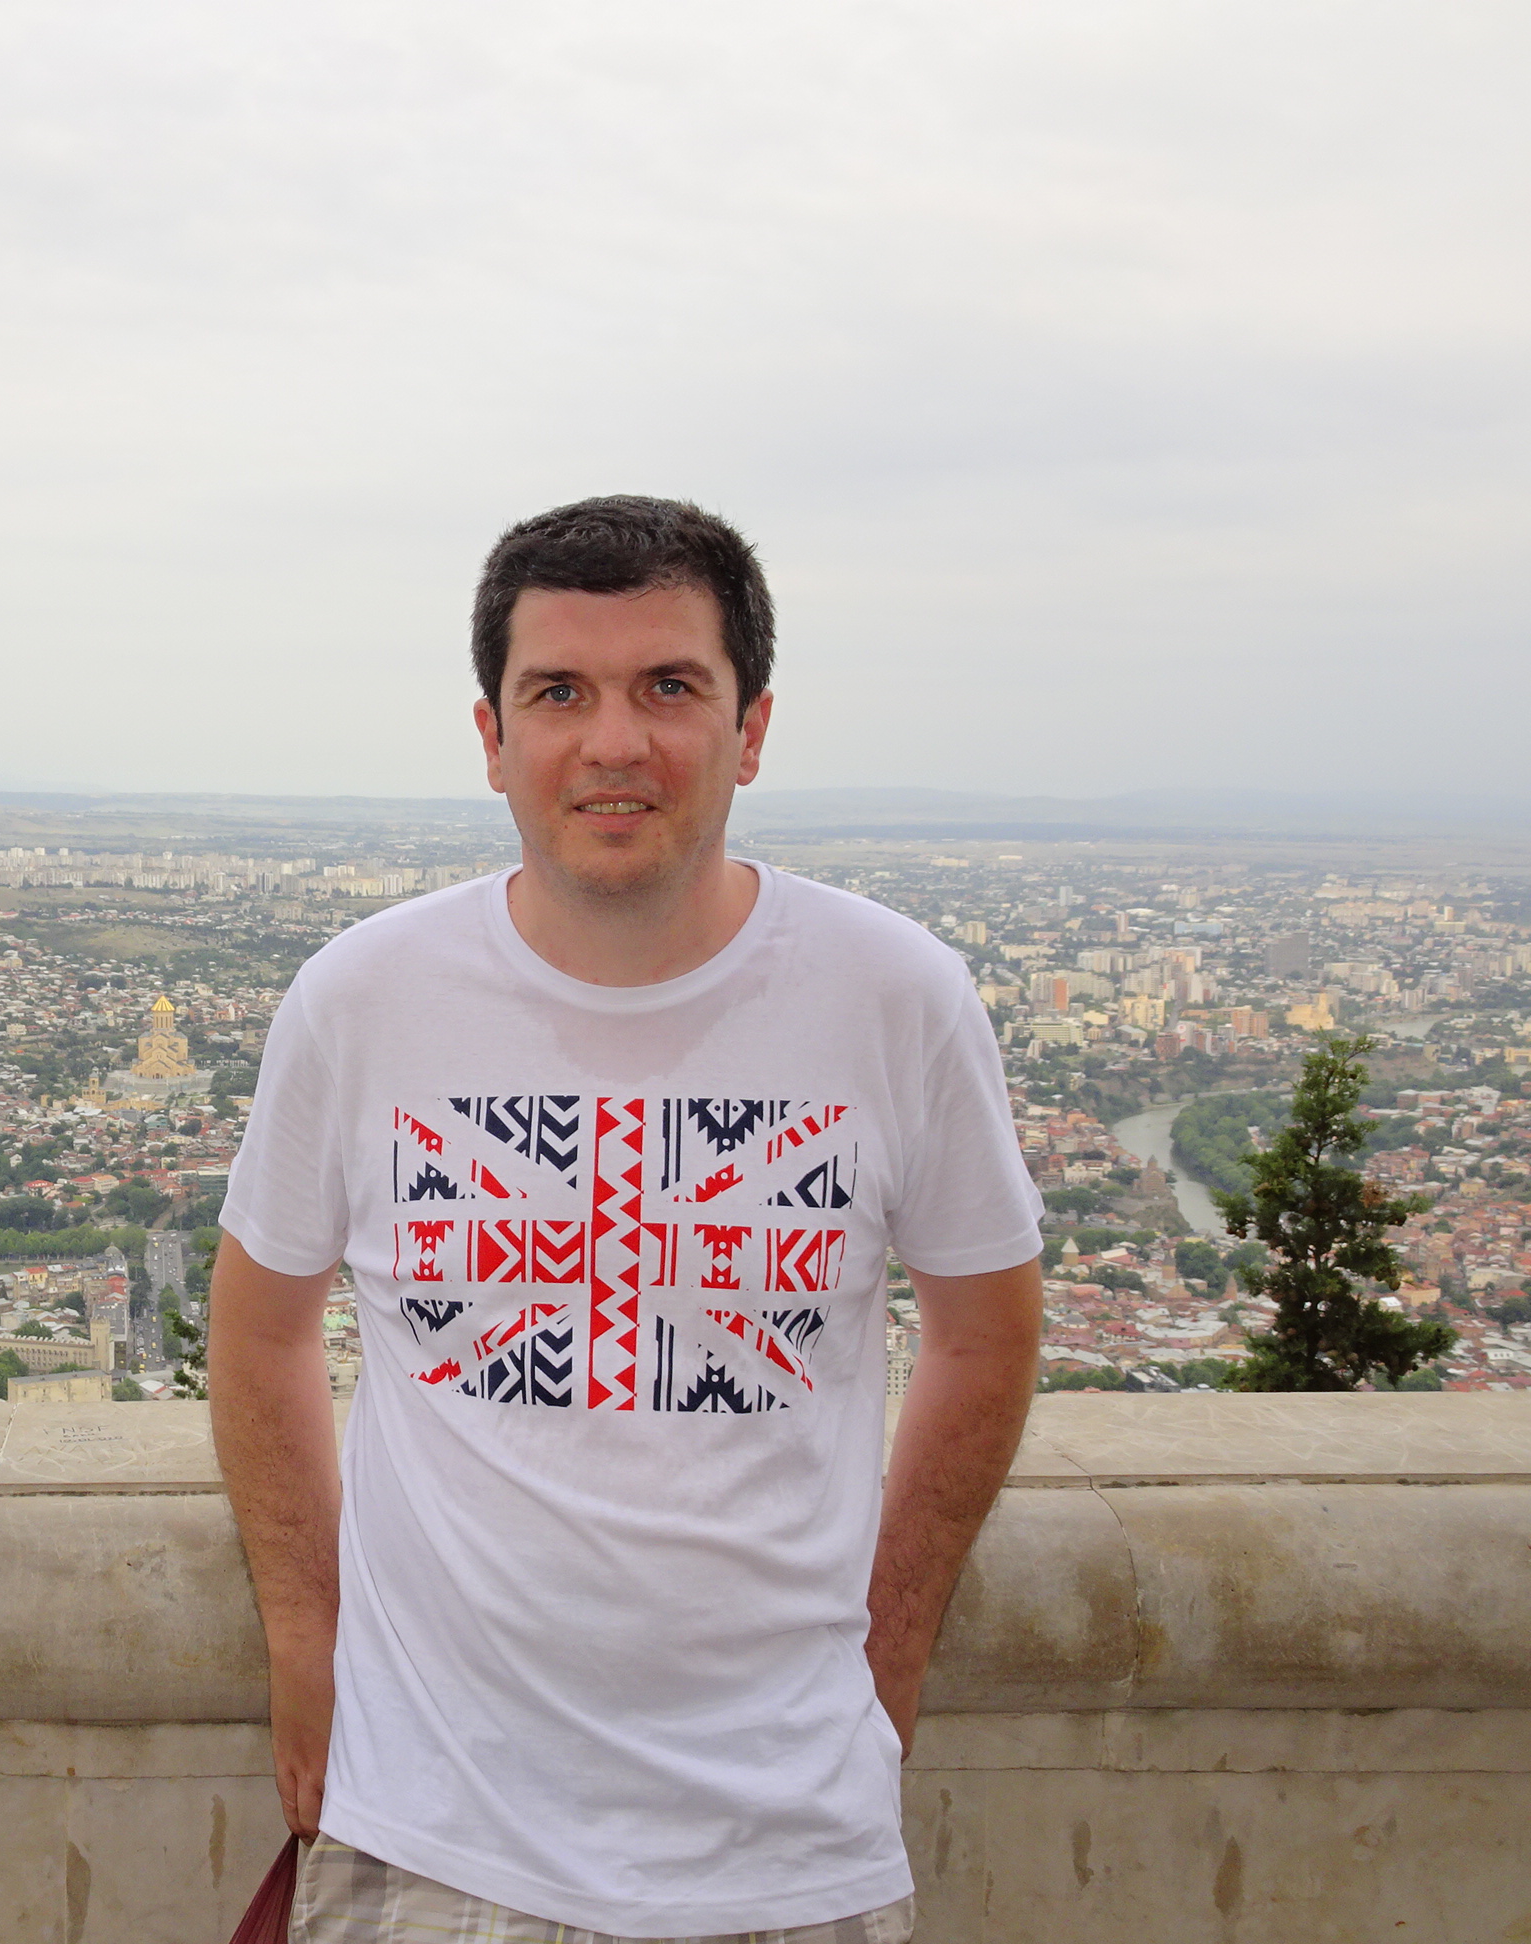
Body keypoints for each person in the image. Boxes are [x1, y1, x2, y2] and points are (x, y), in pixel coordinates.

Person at [210, 496, 1044, 1943]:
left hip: (788, 1839)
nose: (613, 742)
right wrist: (306, 1636)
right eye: (558, 693)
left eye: (669, 687)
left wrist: (889, 1652)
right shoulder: (365, 997)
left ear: (751, 728)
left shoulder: (895, 996)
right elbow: (259, 1325)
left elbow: (987, 1335)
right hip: (434, 1821)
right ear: (492, 738)